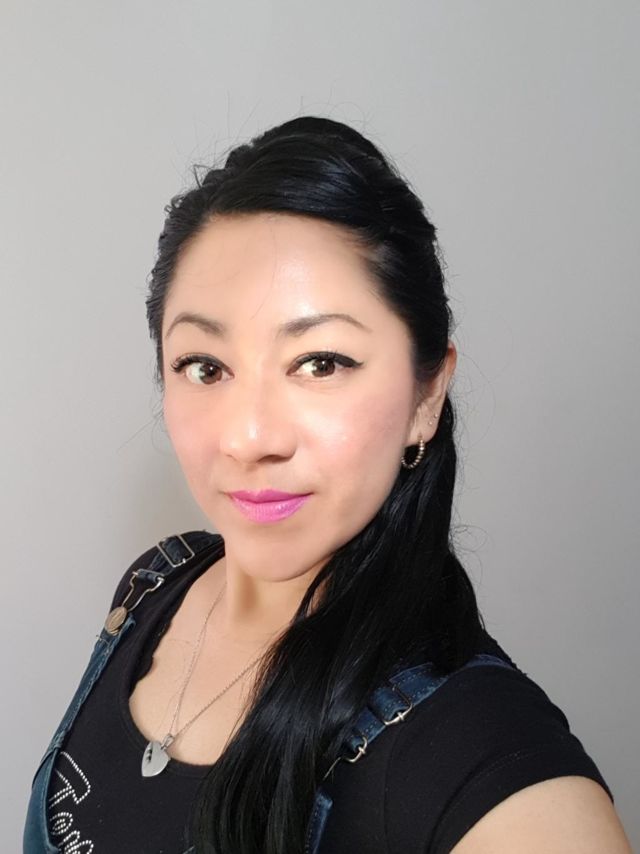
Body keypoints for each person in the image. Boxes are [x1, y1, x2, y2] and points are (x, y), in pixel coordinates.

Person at [24, 117, 632, 854]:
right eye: (205, 367)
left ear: (426, 396)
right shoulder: (153, 586)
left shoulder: (479, 757)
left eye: (321, 363)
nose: (250, 438)